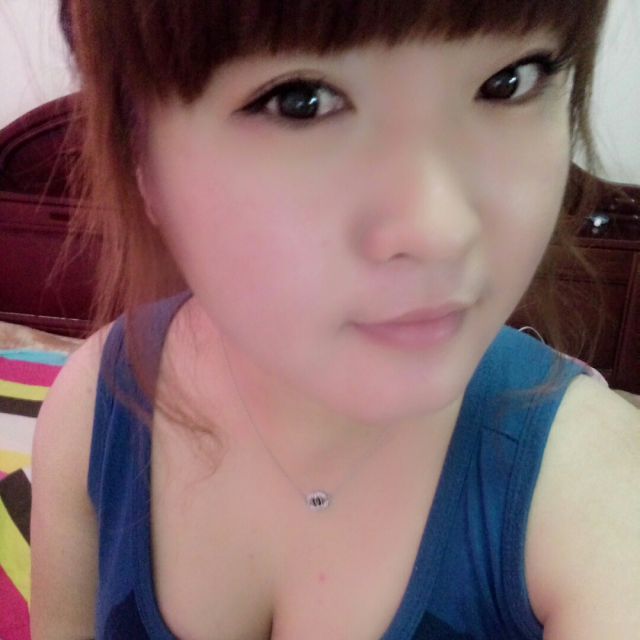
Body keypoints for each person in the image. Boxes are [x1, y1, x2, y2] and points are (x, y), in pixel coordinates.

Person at [30, 1, 640, 638]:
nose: (441, 231)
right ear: (141, 158)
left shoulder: (597, 497)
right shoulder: (92, 410)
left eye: (508, 82)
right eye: (301, 102)